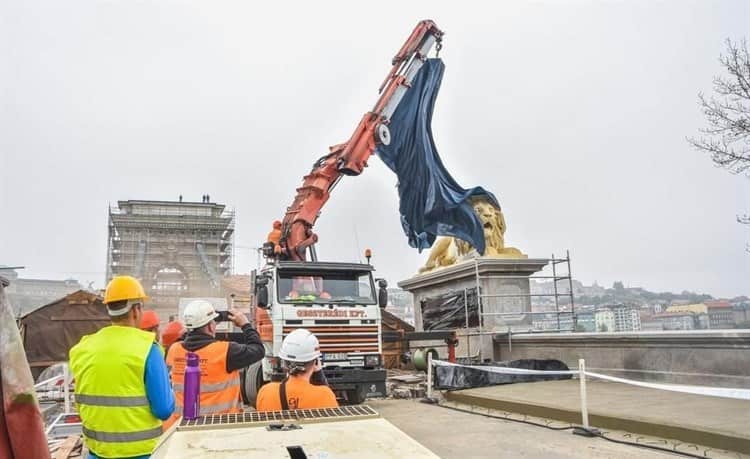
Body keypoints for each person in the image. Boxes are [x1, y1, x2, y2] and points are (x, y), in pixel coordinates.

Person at [69, 276, 174, 459]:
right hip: (142, 454)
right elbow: (163, 409)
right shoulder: (148, 348)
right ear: (136, 310)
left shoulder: (82, 348)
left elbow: (83, 402)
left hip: (97, 453)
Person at [164, 300, 264, 428]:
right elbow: (258, 350)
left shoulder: (173, 350)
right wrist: (245, 325)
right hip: (220, 426)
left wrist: (193, 325)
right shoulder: (226, 351)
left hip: (183, 425)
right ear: (211, 327)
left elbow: (185, 339)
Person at [256, 329, 338, 411]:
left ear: (284, 363)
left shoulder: (266, 392)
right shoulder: (325, 395)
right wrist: (320, 376)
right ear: (315, 362)